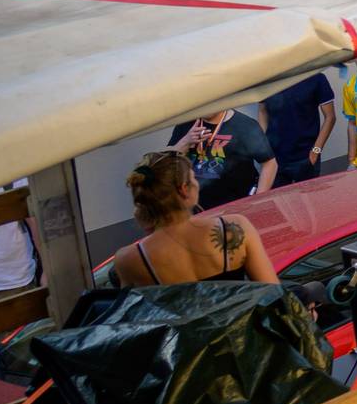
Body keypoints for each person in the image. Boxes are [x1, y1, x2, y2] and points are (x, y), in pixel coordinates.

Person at [108, 151, 276, 286]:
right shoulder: (234, 227)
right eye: (193, 178)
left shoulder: (129, 260)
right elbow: (273, 295)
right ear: (183, 189)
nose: (197, 183)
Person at [168, 106, 277, 211]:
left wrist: (258, 200)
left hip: (236, 205)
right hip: (196, 206)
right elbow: (167, 161)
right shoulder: (186, 123)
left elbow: (269, 163)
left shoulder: (245, 125)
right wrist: (185, 142)